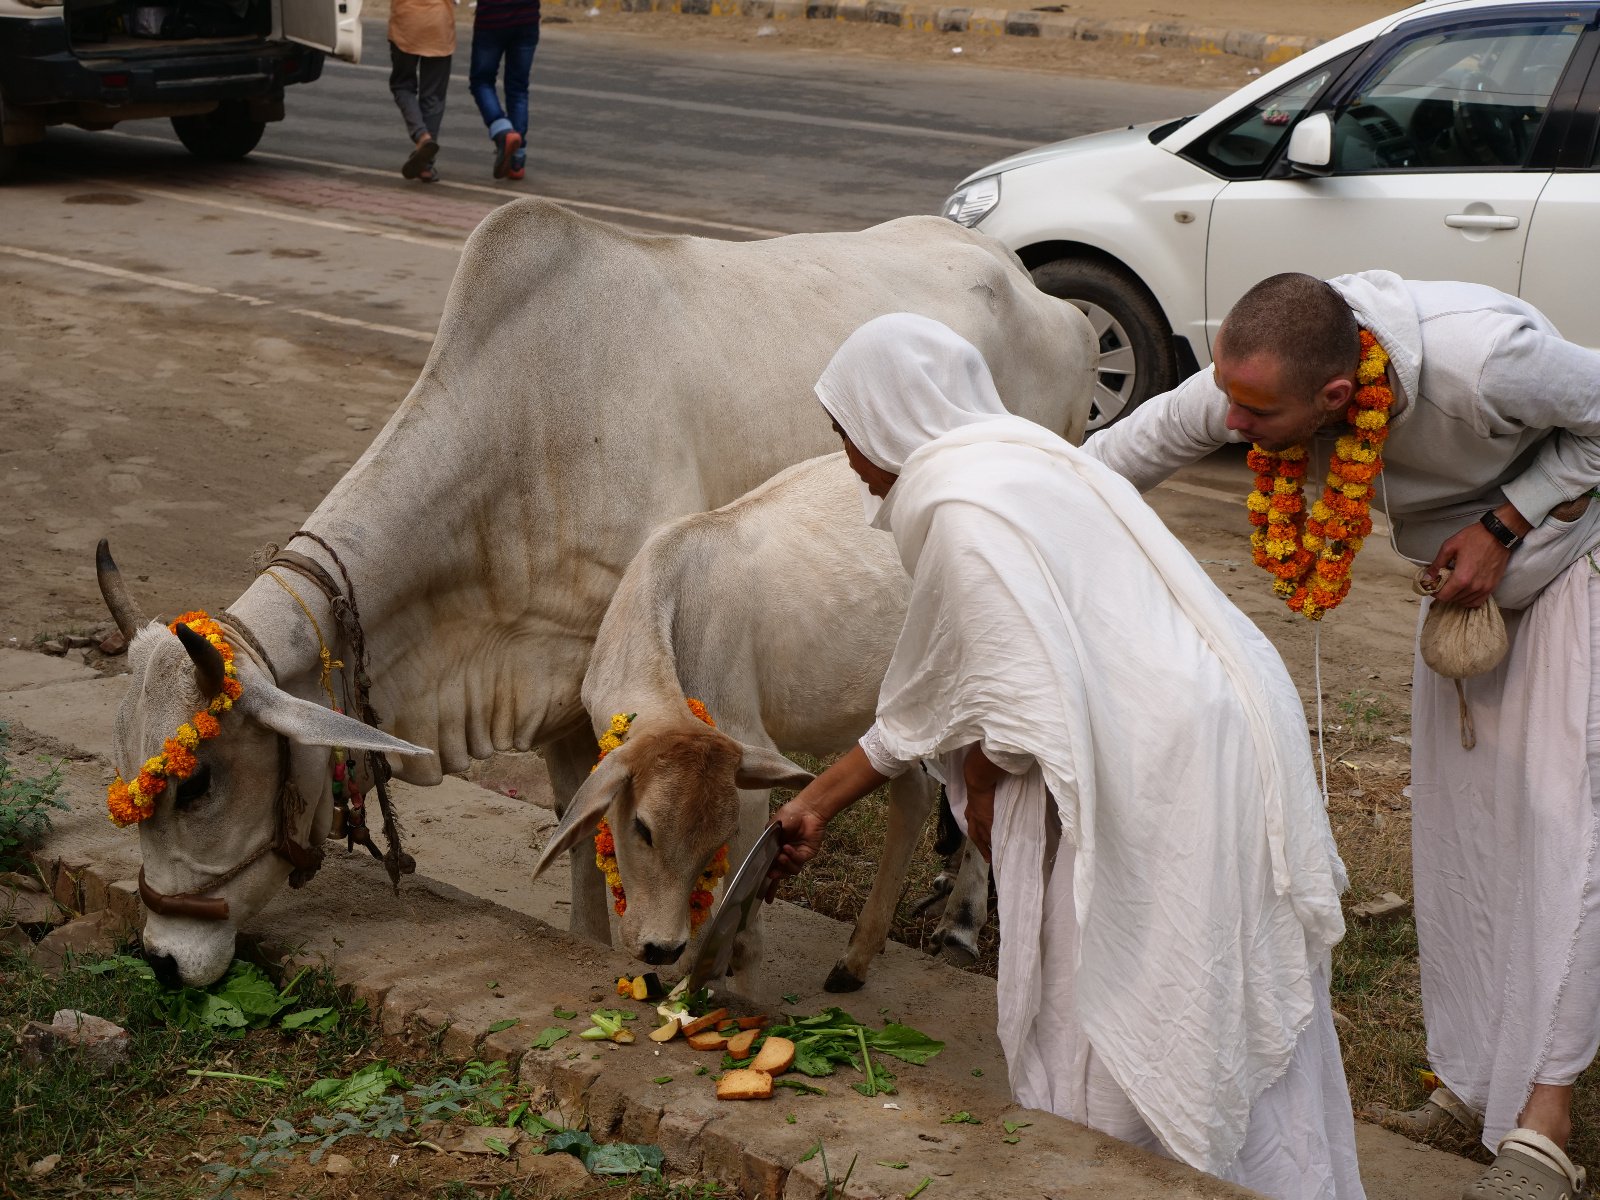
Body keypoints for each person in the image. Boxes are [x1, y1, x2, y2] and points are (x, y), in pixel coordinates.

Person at [767, 312, 1365, 1200]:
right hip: (1220, 729)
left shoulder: (965, 509)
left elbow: (1004, 711)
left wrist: (976, 787)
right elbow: (926, 704)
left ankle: (1130, 1174)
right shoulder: (1022, 458)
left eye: (845, 432)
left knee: (1127, 992)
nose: (847, 459)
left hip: (1155, 765)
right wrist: (817, 802)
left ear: (887, 419)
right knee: (1221, 981)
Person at [1081, 271, 1600, 1200]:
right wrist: (1013, 495)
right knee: (1462, 836)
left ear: (1334, 397)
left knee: (1566, 833)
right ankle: (1476, 1077)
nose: (1232, 427)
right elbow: (1135, 443)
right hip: (1467, 593)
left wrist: (1506, 521)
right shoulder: (1265, 375)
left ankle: (1545, 1117)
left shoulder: (1487, 362)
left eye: (1254, 413)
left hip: (1577, 568)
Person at [468, 0, 539, 180]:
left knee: (481, 81)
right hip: (527, 18)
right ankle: (517, 160)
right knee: (518, 88)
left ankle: (503, 130)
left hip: (491, 18)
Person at [386, 0, 456, 183]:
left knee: (402, 85)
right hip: (439, 23)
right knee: (433, 96)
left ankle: (421, 135)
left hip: (406, 23)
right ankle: (426, 165)